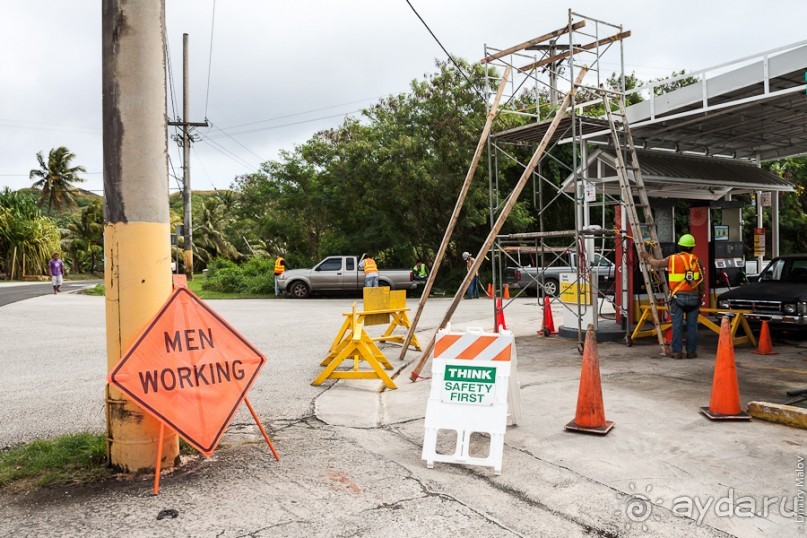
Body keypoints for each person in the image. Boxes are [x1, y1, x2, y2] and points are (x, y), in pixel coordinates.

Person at [641, 234, 705, 359]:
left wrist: (647, 257)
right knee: (692, 327)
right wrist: (700, 297)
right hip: (694, 298)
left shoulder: (673, 259)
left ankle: (677, 352)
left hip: (678, 298)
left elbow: (657, 263)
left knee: (677, 326)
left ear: (679, 246)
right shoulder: (697, 260)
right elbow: (702, 283)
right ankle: (691, 352)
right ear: (692, 248)